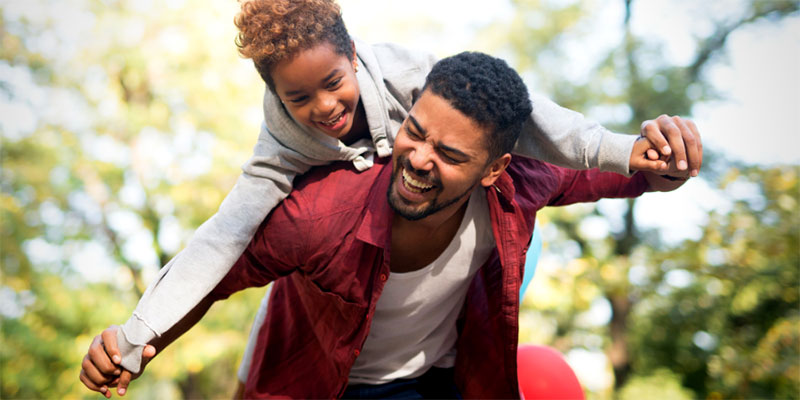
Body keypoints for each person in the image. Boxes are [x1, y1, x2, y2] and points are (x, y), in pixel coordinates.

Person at [80, 51, 700, 399]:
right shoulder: (321, 213)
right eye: (415, 132)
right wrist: (133, 346)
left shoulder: (525, 183)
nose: (419, 160)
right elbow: (215, 272)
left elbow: (626, 175)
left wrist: (669, 161)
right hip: (324, 383)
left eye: (450, 155)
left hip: (433, 381)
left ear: (494, 170)